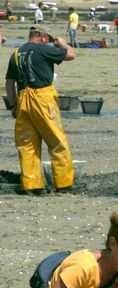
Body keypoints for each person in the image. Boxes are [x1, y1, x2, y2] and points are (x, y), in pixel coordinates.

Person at [4, 27, 75, 195]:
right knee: (57, 141)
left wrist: (13, 106)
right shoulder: (44, 49)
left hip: (22, 99)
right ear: (42, 37)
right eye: (48, 39)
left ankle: (32, 185)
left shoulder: (15, 53)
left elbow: (9, 83)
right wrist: (63, 43)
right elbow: (71, 55)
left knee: (26, 144)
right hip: (43, 98)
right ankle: (63, 184)